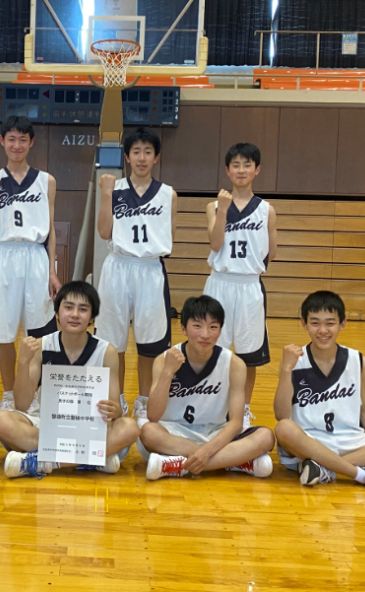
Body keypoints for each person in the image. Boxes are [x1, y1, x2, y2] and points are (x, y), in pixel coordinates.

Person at [274, 291, 365, 490]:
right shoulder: (294, 360)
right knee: (284, 428)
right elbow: (281, 415)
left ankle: (325, 469)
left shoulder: (359, 361)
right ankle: (362, 474)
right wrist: (286, 370)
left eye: (330, 323)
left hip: (352, 440)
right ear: (304, 323)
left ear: (342, 324)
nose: (322, 330)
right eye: (315, 323)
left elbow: (363, 411)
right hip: (311, 442)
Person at [0, 281, 140, 478]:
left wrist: (114, 410)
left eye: (83, 309)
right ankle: (90, 459)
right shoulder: (41, 346)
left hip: (88, 426)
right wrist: (23, 363)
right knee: (0, 420)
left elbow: (116, 410)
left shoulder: (106, 351)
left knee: (130, 428)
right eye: (68, 307)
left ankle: (43, 462)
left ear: (92, 317)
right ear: (57, 313)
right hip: (47, 424)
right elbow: (22, 404)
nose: (75, 314)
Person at [139, 295, 275, 480]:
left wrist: (207, 451)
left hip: (216, 432)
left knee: (266, 436)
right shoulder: (164, 359)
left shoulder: (234, 364)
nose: (205, 334)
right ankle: (232, 462)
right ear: (183, 328)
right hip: (175, 432)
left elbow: (236, 422)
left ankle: (178, 465)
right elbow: (153, 415)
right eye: (197, 326)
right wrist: (167, 372)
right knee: (148, 432)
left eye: (213, 327)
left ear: (220, 330)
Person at [0, 116, 61, 417]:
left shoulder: (46, 181)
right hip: (4, 255)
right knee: (4, 334)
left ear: (31, 142)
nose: (17, 145)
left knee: (38, 333)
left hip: (36, 257)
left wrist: (52, 270)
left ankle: (36, 394)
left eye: (22, 139)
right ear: (2, 141)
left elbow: (50, 229)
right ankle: (9, 394)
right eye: (11, 139)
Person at [95, 127, 177, 422]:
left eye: (148, 152)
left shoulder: (168, 194)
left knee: (150, 345)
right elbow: (104, 231)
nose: (142, 157)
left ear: (156, 157)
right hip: (117, 267)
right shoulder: (113, 188)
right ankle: (115, 399)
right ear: (127, 157)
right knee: (112, 342)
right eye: (136, 151)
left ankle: (144, 401)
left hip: (150, 269)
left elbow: (169, 237)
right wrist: (106, 195)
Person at [203, 143, 277, 430]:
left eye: (247, 165)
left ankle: (243, 412)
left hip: (248, 287)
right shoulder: (214, 206)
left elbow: (272, 251)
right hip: (219, 284)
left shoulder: (267, 210)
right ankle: (216, 408)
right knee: (213, 350)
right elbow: (215, 244)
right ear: (227, 170)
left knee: (248, 355)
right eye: (236, 165)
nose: (242, 170)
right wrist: (223, 211)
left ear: (257, 169)